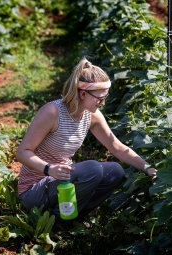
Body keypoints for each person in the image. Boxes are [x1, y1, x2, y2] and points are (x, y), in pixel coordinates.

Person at [16, 57, 157, 221]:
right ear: (83, 94)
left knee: (115, 172)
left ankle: (73, 215)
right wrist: (49, 168)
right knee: (93, 169)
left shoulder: (92, 115)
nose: (103, 103)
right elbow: (22, 152)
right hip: (35, 190)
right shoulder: (53, 112)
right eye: (99, 98)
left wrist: (147, 168)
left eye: (105, 97)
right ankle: (57, 221)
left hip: (62, 183)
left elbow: (116, 146)